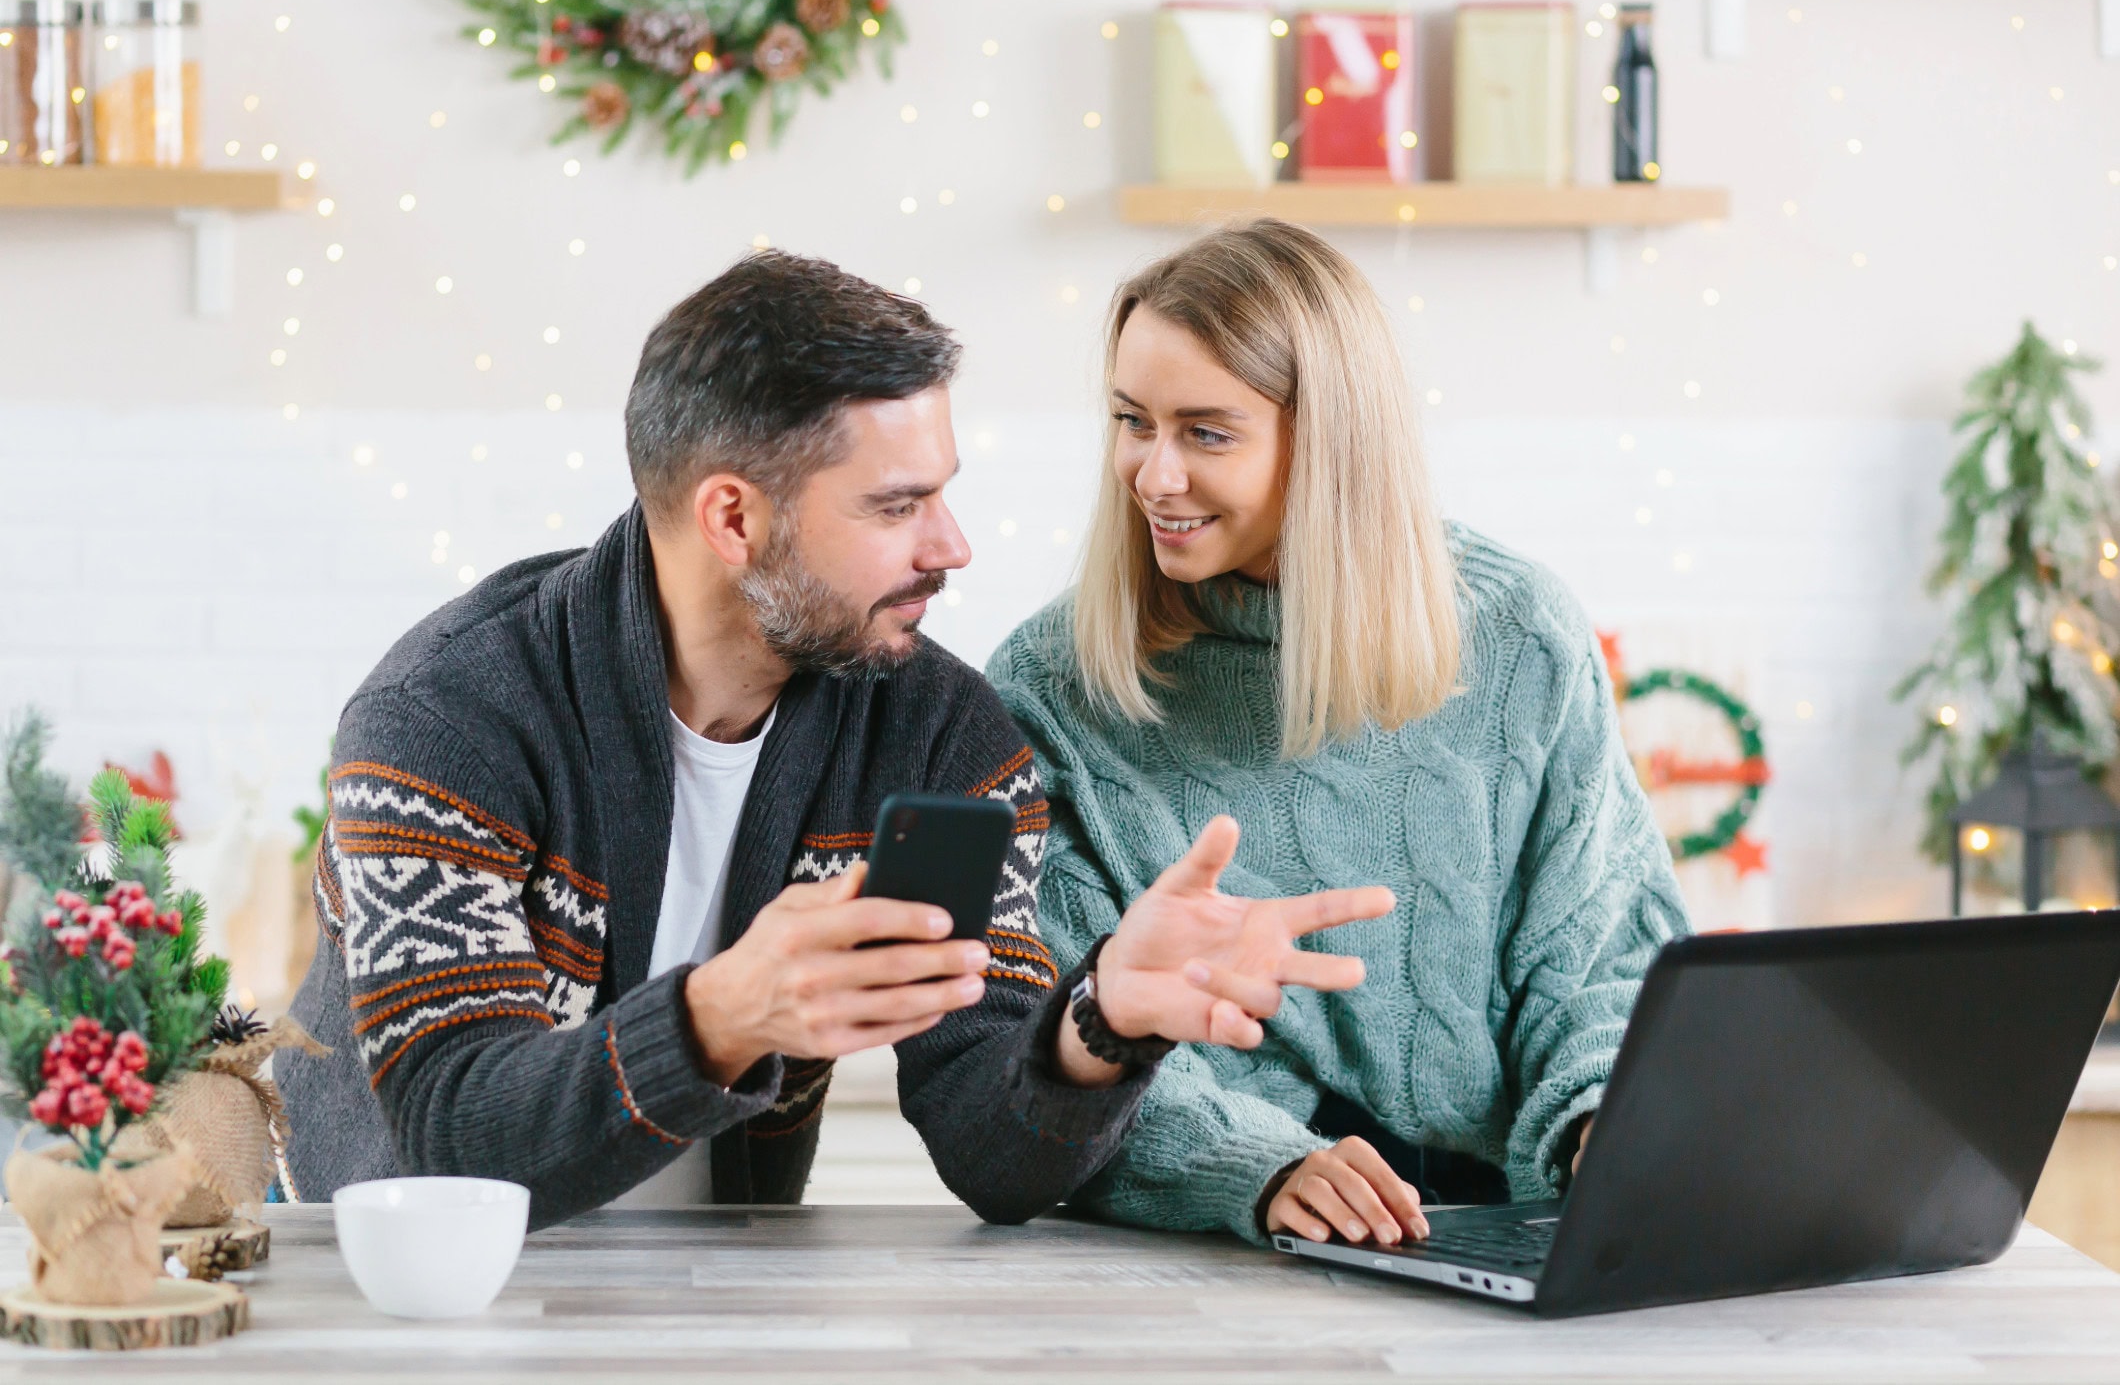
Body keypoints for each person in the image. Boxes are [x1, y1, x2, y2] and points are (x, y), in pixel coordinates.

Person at [279, 249, 1396, 1228]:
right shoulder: (448, 719)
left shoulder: (943, 737)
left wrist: (1097, 1023)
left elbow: (990, 1153)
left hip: (725, 1289)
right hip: (404, 1292)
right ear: (732, 519)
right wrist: (722, 1014)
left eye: (941, 495)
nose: (950, 545)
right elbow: (451, 1138)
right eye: (894, 506)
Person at [985, 219, 1690, 1251]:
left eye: (1205, 432)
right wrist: (1255, 1164)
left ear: (1327, 445)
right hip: (1231, 1241)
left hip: (1518, 1219)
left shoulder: (1520, 637)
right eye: (1131, 420)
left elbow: (1599, 962)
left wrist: (1601, 1130)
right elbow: (1053, 1041)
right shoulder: (1052, 687)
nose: (1151, 474)